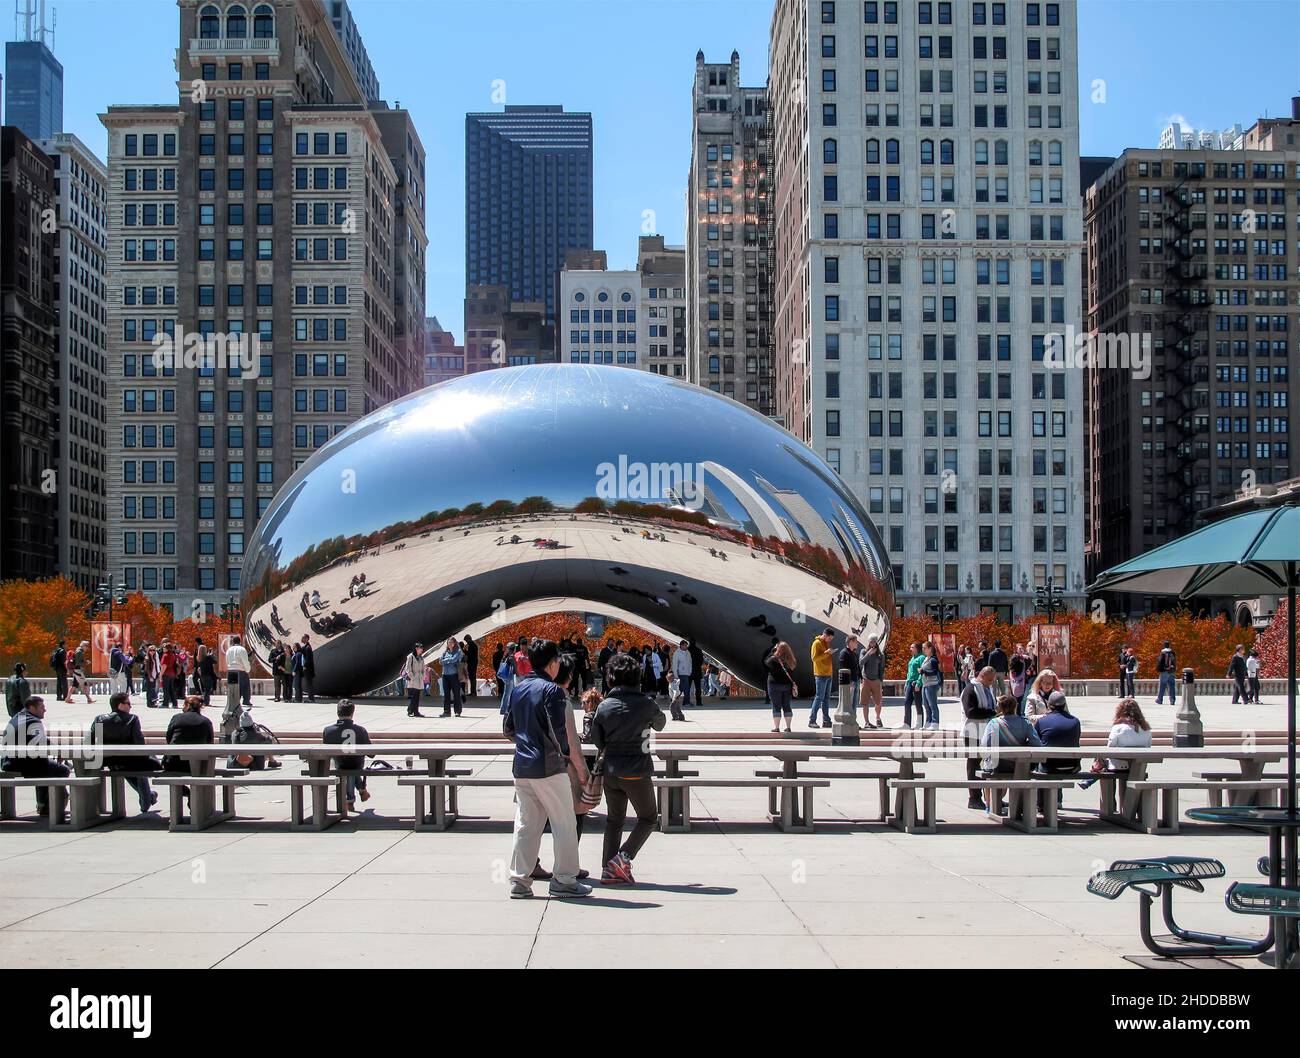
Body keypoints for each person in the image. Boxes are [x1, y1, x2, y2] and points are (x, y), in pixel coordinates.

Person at [504, 639, 590, 899]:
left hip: (522, 766)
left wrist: (526, 741)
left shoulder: (518, 688)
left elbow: (508, 729)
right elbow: (557, 731)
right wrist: (563, 755)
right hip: (548, 766)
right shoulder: (551, 691)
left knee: (527, 824)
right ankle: (564, 879)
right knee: (564, 822)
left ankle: (520, 880)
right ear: (553, 663)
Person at [590, 651, 665, 885]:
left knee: (615, 820)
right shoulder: (646, 704)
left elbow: (597, 740)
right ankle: (622, 858)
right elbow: (660, 724)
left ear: (611, 678)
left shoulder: (604, 707)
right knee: (649, 818)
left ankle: (607, 868)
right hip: (637, 769)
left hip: (611, 770)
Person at [90, 691, 159, 814]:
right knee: (141, 766)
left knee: (126, 766)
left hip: (109, 762)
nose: (130, 706)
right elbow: (139, 744)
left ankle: (149, 797)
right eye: (128, 703)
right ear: (120, 705)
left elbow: (90, 740)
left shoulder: (100, 719)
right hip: (130, 760)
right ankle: (148, 798)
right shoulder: (133, 719)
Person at [1, 696, 70, 821]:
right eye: (42, 707)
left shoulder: (17, 717)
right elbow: (41, 742)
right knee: (62, 770)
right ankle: (49, 807)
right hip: (23, 763)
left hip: (8, 761)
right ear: (32, 707)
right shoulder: (33, 721)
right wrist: (58, 752)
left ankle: (43, 804)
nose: (45, 710)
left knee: (45, 766)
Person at [980, 695, 1043, 812]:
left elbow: (985, 745)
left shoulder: (993, 723)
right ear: (1016, 707)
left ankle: (990, 805)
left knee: (987, 766)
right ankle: (1016, 806)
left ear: (999, 708)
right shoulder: (1025, 723)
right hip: (1019, 765)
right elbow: (1037, 744)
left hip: (998, 765)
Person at [1079, 698, 1153, 789]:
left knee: (1101, 762)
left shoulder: (1118, 728)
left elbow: (1110, 748)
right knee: (1103, 762)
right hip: (1138, 767)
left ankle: (1091, 780)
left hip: (1119, 767)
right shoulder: (1146, 730)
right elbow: (1149, 746)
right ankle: (1090, 779)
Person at [162, 695, 215, 813]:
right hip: (197, 765)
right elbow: (210, 743)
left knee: (171, 777)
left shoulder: (176, 718)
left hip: (173, 762)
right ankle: (196, 802)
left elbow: (169, 737)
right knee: (200, 774)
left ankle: (188, 794)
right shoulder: (206, 722)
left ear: (187, 705)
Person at [960, 667, 999, 809]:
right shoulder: (970, 689)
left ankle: (991, 797)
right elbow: (970, 712)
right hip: (972, 733)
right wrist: (992, 712)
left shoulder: (986, 688)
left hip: (986, 731)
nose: (991, 683)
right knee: (973, 765)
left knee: (989, 764)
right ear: (981, 676)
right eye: (989, 680)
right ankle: (974, 798)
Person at [1033, 692, 1081, 806]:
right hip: (1072, 765)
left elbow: (1036, 742)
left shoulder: (1042, 721)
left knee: (1042, 763)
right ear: (1065, 705)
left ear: (1049, 705)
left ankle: (1041, 804)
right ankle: (1057, 801)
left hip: (1049, 765)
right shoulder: (1075, 721)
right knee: (1057, 760)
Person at [323, 699, 372, 812]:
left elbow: (325, 753)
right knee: (352, 767)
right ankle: (355, 796)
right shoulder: (360, 730)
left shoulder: (328, 731)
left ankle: (352, 799)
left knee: (345, 766)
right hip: (357, 766)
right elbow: (371, 754)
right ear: (352, 713)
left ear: (338, 713)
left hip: (339, 766)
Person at [766, 641, 797, 733]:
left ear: (778, 649)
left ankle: (776, 727)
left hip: (774, 685)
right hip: (787, 686)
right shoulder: (791, 660)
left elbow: (766, 662)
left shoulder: (773, 659)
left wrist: (773, 650)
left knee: (776, 706)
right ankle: (788, 727)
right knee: (787, 706)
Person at [808, 628, 835, 729]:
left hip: (828, 674)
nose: (830, 640)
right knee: (819, 697)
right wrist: (827, 653)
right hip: (820, 674)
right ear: (825, 635)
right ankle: (812, 720)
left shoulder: (826, 643)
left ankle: (826, 720)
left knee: (826, 699)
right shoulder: (816, 643)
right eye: (829, 638)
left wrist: (829, 652)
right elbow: (814, 658)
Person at [859, 636, 885, 729]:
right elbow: (861, 663)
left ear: (876, 642)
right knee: (865, 702)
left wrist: (880, 680)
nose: (872, 643)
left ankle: (878, 717)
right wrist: (869, 654)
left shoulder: (880, 655)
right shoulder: (864, 651)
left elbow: (882, 668)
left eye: (874, 642)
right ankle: (867, 722)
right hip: (866, 679)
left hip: (876, 680)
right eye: (871, 642)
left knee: (878, 702)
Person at [918, 640, 941, 730]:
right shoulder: (925, 659)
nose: (923, 649)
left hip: (932, 684)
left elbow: (934, 672)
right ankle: (928, 722)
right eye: (923, 648)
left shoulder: (933, 660)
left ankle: (935, 723)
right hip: (925, 684)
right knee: (926, 705)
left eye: (925, 648)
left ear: (930, 648)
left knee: (932, 704)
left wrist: (923, 671)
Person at [838, 633, 861, 723]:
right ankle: (848, 721)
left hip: (856, 680)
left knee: (855, 703)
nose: (857, 644)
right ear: (851, 642)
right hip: (850, 682)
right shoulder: (844, 653)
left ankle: (853, 720)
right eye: (856, 642)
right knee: (849, 703)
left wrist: (860, 677)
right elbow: (843, 668)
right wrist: (849, 682)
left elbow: (857, 667)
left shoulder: (854, 654)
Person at [224, 635, 252, 709]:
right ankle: (246, 700)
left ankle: (234, 701)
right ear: (240, 641)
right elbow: (245, 661)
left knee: (233, 687)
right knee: (245, 686)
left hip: (231, 670)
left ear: (233, 642)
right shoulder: (241, 649)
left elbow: (227, 661)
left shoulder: (228, 650)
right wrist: (247, 670)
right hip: (240, 670)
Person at [439, 637, 464, 717]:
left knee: (456, 693)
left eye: (451, 642)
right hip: (445, 675)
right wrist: (448, 660)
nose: (449, 644)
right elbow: (440, 661)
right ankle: (446, 711)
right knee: (446, 694)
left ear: (454, 643)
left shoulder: (458, 651)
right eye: (448, 642)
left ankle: (457, 711)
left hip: (454, 675)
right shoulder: (445, 652)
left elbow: (454, 659)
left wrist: (446, 660)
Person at [902, 642, 924, 729]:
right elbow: (909, 672)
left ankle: (919, 723)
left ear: (917, 648)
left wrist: (918, 683)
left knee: (918, 703)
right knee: (907, 703)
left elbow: (921, 671)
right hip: (909, 683)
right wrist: (906, 682)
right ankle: (906, 723)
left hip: (916, 683)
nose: (910, 649)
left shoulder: (921, 657)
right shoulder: (912, 658)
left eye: (912, 647)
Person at [401, 644, 427, 717]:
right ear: (416, 648)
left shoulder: (421, 657)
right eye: (420, 648)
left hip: (419, 679)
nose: (422, 649)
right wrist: (412, 676)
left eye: (422, 648)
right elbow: (407, 668)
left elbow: (423, 668)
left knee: (417, 696)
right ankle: (410, 711)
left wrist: (423, 676)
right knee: (413, 696)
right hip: (413, 679)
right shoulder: (411, 657)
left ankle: (415, 711)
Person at [1154, 640, 1178, 706]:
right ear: (1169, 645)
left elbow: (1160, 662)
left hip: (1164, 671)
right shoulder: (1172, 652)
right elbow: (1175, 662)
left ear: (1164, 645)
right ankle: (1172, 700)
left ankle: (1159, 699)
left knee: (1162, 686)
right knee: (1172, 686)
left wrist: (1158, 669)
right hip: (1172, 671)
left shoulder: (1163, 652)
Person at [160, 641, 182, 709]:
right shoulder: (173, 655)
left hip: (166, 673)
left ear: (167, 648)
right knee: (171, 689)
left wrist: (160, 675)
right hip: (172, 674)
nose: (163, 648)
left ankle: (165, 703)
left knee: (166, 689)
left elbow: (164, 666)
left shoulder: (165, 655)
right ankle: (175, 703)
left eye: (164, 647)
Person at [671, 640, 693, 707]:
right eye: (684, 645)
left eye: (686, 645)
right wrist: (676, 675)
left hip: (686, 673)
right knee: (683, 689)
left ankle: (684, 702)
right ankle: (684, 702)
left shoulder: (688, 652)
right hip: (680, 673)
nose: (686, 646)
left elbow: (690, 662)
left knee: (684, 689)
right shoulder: (677, 653)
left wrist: (690, 671)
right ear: (681, 645)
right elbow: (674, 664)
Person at [497, 642, 517, 715]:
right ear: (513, 649)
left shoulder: (505, 656)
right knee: (508, 693)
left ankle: (505, 709)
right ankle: (504, 709)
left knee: (507, 693)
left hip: (505, 676)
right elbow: (514, 668)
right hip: (510, 677)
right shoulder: (512, 657)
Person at [687, 638, 705, 707]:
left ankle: (687, 701)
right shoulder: (699, 650)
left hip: (689, 671)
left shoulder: (687, 650)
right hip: (697, 671)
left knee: (687, 687)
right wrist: (698, 666)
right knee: (698, 687)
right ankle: (699, 702)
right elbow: (701, 661)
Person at [141, 643, 160, 708]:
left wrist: (157, 674)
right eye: (151, 650)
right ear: (148, 651)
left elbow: (156, 667)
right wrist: (150, 676)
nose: (152, 652)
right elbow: (147, 669)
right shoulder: (147, 658)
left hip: (154, 675)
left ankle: (152, 702)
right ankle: (149, 703)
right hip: (149, 676)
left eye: (154, 650)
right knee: (150, 690)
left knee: (152, 689)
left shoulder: (154, 657)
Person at [299, 635, 316, 701]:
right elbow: (300, 651)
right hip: (307, 669)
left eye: (303, 638)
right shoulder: (305, 647)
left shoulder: (308, 647)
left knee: (309, 684)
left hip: (308, 669)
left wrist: (305, 666)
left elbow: (308, 659)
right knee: (308, 683)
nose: (302, 639)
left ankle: (311, 698)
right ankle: (310, 698)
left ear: (307, 639)